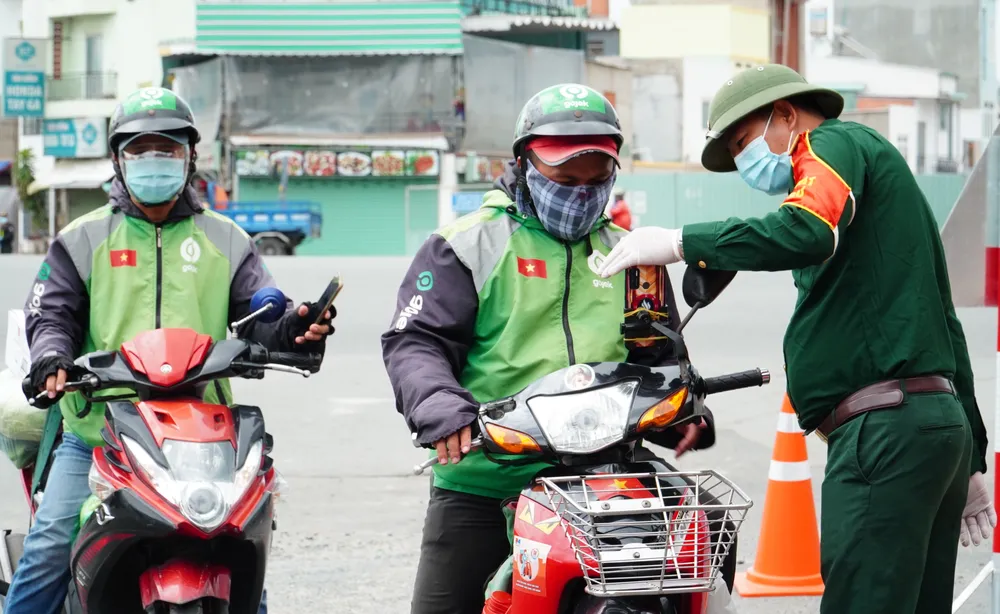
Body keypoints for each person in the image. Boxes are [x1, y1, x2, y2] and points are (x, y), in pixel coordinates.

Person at [598, 64, 995, 614]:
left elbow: (806, 228)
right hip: (931, 429)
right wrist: (971, 453)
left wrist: (679, 241)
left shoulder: (832, 143)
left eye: (744, 143)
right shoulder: (880, 193)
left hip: (885, 433)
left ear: (785, 115)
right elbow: (945, 325)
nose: (745, 166)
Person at [381, 83, 734, 614]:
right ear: (523, 164)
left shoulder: (634, 256)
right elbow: (417, 340)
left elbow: (658, 359)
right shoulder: (467, 245)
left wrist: (683, 410)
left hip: (609, 476)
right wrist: (440, 408)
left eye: (596, 179)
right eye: (564, 178)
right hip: (488, 475)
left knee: (708, 542)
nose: (580, 192)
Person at [6, 87, 335, 614]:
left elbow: (261, 313)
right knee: (48, 548)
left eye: (168, 148)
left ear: (189, 157)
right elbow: (52, 315)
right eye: (139, 150)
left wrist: (296, 327)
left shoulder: (224, 238)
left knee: (244, 547)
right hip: (97, 432)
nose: (153, 160)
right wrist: (52, 359)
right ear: (118, 160)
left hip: (202, 435)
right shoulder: (82, 238)